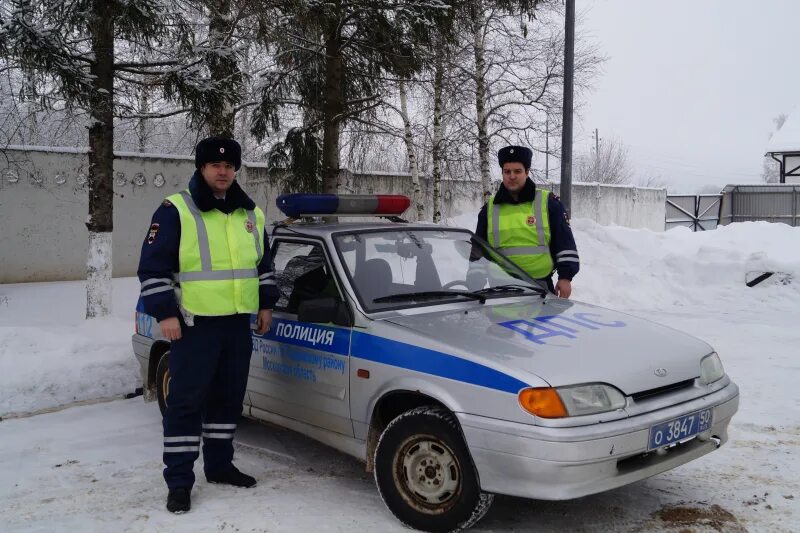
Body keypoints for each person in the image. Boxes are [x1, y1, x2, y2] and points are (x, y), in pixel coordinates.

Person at [137, 136, 279, 514]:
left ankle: (219, 466)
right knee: (186, 404)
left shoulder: (250, 213)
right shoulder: (176, 209)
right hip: (194, 326)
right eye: (216, 165)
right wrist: (165, 313)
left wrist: (266, 305)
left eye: (230, 165)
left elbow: (262, 267)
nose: (223, 171)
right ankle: (180, 482)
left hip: (237, 324)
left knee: (227, 399)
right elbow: (153, 268)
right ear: (201, 167)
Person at [475, 145, 579, 297]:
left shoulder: (548, 203)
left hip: (539, 288)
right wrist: (473, 280)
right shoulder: (489, 209)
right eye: (507, 171)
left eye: (517, 171)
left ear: (527, 172)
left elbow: (564, 243)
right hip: (499, 291)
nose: (512, 176)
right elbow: (478, 250)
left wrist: (565, 277)